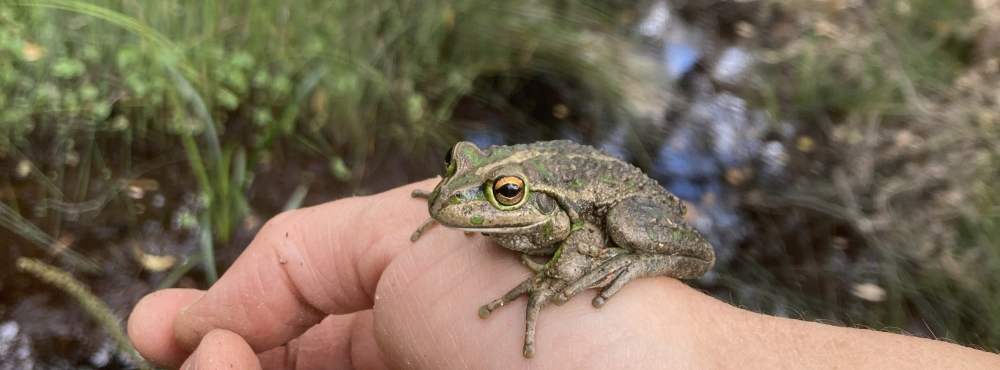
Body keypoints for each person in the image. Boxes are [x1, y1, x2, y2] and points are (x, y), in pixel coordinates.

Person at [127, 179, 1000, 369]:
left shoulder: (557, 215)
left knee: (615, 232)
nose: (469, 205)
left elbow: (572, 231)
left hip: (609, 206)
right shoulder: (479, 202)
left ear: (529, 198)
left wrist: (552, 283)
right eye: (463, 176)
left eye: (501, 194)